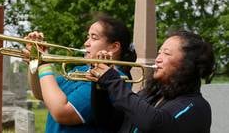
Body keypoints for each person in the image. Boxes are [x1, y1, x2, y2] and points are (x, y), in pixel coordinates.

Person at [24, 14, 136, 133]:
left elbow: (61, 113)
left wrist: (43, 63)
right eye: (88, 37)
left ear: (114, 47)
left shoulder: (113, 80)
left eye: (94, 37)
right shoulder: (82, 69)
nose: (86, 43)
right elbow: (41, 93)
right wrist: (34, 62)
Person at [87, 30, 215, 133]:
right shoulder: (149, 94)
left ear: (188, 64)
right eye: (159, 52)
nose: (158, 59)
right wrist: (100, 86)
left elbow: (153, 124)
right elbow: (109, 121)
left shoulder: (196, 107)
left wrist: (112, 80)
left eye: (166, 53)